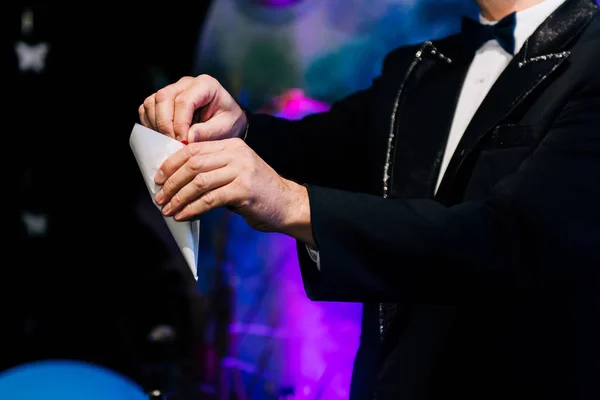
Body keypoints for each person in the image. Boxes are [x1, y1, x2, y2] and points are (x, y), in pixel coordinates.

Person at [137, 0, 600, 398]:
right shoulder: (421, 69)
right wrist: (234, 126)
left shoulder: (591, 55)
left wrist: (293, 204)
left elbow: (512, 238)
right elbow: (314, 151)